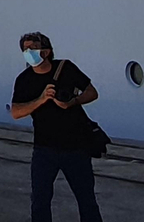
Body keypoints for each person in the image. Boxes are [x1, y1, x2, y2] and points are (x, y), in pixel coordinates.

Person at [10, 32, 102, 222]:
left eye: (33, 49)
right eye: (25, 49)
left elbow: (92, 92)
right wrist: (41, 99)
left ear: (46, 51)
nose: (29, 53)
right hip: (44, 150)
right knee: (40, 200)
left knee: (87, 200)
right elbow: (16, 112)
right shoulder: (24, 80)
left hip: (76, 148)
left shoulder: (66, 68)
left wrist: (73, 102)